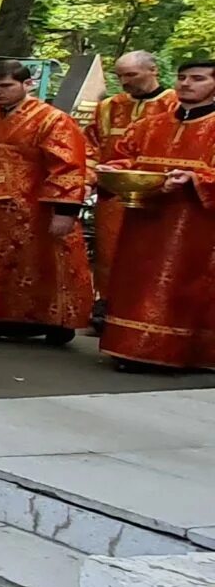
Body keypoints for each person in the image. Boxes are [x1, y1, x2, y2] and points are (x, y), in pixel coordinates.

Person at [0, 59, 92, 344]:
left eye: (6, 86)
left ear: (27, 84)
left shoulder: (53, 120)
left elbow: (68, 166)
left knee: (35, 264)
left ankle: (47, 322)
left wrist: (65, 211)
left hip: (33, 209)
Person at [98, 55, 215, 373]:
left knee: (186, 286)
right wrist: (114, 169)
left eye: (198, 78)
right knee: (135, 281)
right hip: (146, 219)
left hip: (197, 224)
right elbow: (128, 158)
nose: (187, 83)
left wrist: (196, 179)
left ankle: (178, 353)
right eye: (183, 77)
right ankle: (129, 347)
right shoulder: (152, 124)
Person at [90, 49, 171, 326]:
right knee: (109, 247)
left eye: (131, 75)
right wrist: (93, 173)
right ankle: (107, 303)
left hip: (158, 193)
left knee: (152, 253)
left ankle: (147, 308)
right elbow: (91, 144)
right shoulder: (109, 106)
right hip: (112, 191)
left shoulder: (173, 104)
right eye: (120, 75)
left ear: (153, 71)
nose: (124, 81)